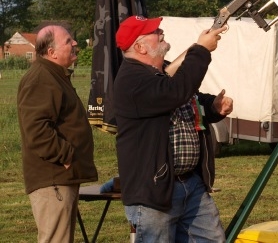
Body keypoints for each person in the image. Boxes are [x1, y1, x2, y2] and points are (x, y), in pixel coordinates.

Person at [113, 15, 233, 242]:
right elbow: (175, 92)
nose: (160, 32)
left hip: (190, 183)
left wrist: (214, 107)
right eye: (153, 32)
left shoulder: (164, 71)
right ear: (139, 46)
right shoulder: (132, 79)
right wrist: (201, 51)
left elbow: (188, 99)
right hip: (155, 191)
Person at [17, 25, 98, 243]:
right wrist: (66, 155)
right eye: (68, 41)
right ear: (52, 53)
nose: (75, 44)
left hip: (59, 178)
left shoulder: (52, 75)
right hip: (53, 178)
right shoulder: (41, 78)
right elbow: (36, 129)